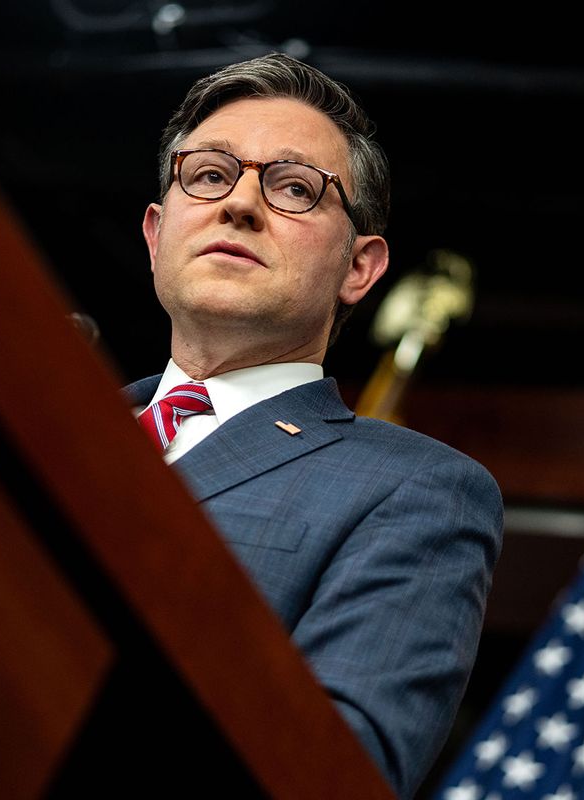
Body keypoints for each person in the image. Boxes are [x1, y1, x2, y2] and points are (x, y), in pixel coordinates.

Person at [124, 52, 503, 799]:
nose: (237, 204)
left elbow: (333, 771)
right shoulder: (60, 416)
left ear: (359, 268)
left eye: (294, 188)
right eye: (208, 175)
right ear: (155, 233)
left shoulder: (420, 492)